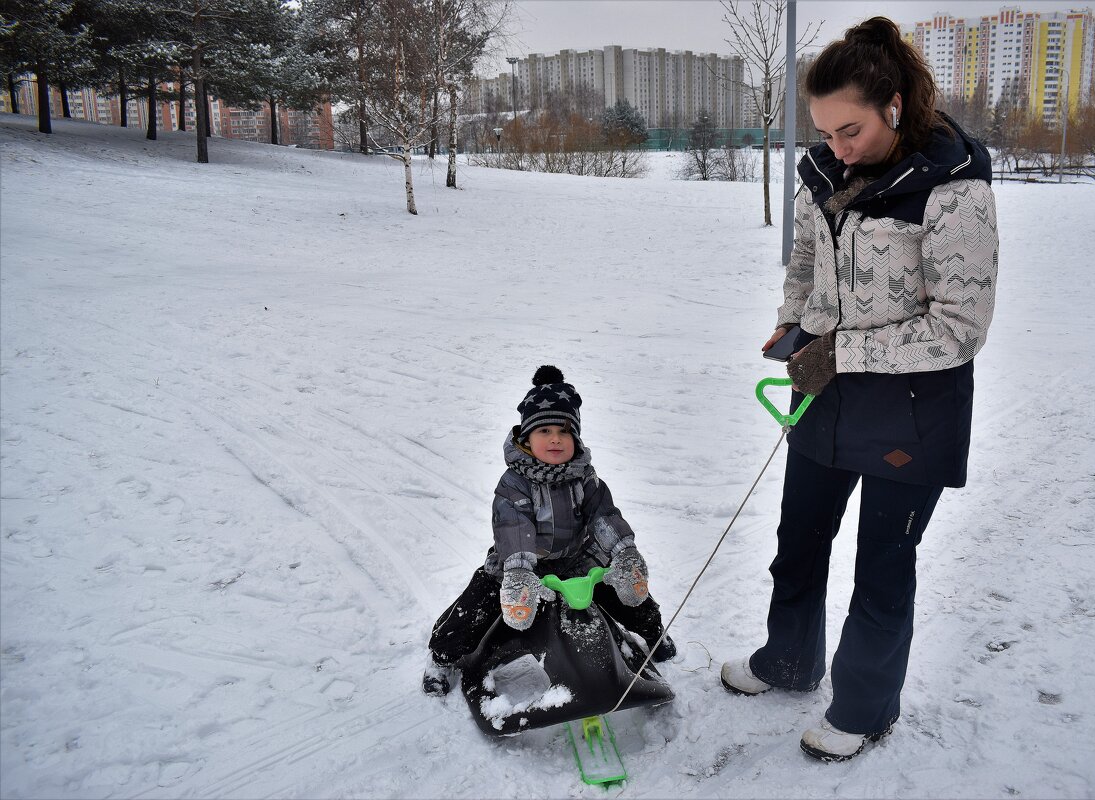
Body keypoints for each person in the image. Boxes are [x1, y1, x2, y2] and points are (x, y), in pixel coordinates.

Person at [720, 16, 999, 762]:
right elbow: (805, 267)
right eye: (825, 131)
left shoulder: (952, 185)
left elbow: (959, 328)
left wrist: (840, 349)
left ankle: (865, 707)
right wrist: (791, 327)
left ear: (896, 106)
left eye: (851, 130)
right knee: (798, 542)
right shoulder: (821, 176)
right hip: (825, 397)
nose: (837, 148)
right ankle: (787, 659)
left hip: (913, 412)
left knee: (882, 564)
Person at [423, 365, 675, 696]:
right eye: (544, 431)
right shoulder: (514, 483)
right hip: (520, 566)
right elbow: (512, 527)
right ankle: (441, 657)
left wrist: (622, 552)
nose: (555, 438)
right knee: (479, 604)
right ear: (526, 438)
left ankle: (653, 631)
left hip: (576, 558)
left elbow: (603, 515)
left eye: (564, 430)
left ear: (576, 438)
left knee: (626, 591)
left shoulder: (585, 478)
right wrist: (517, 571)